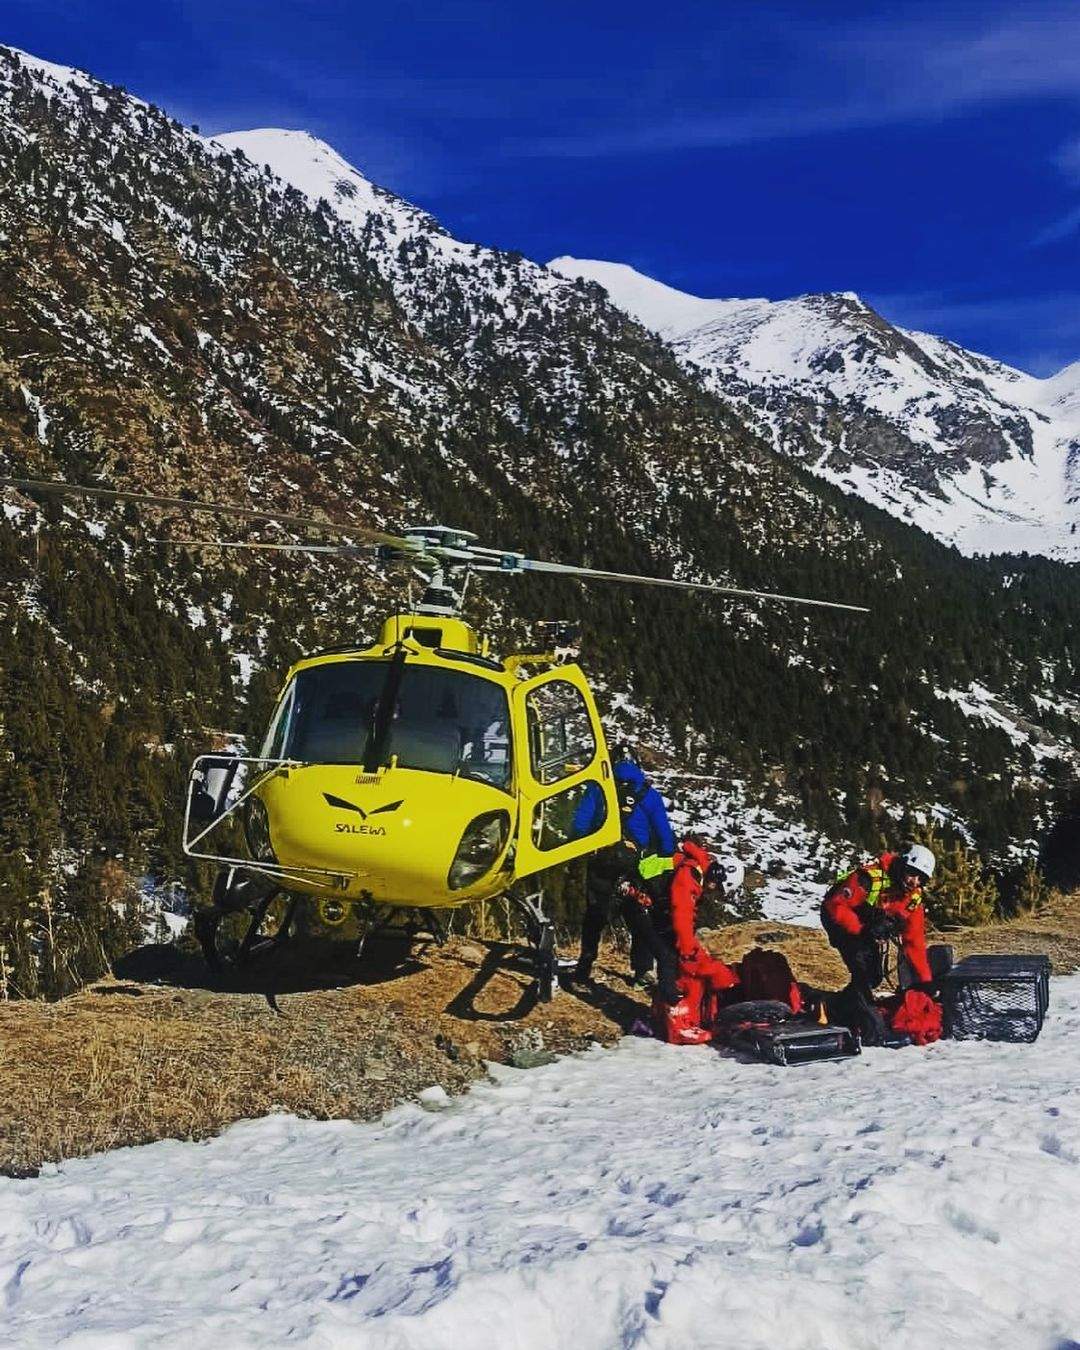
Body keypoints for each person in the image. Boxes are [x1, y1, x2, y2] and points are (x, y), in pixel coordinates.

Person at [571, 759, 678, 990]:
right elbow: (665, 837)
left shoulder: (599, 787)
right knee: (639, 918)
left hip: (602, 861)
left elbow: (580, 825)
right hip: (634, 866)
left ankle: (584, 966)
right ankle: (642, 973)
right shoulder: (649, 794)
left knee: (595, 916)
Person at [820, 843, 936, 1042]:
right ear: (902, 865)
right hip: (840, 918)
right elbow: (836, 906)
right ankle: (866, 1021)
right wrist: (862, 931)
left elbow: (914, 941)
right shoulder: (868, 878)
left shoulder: (912, 899)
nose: (914, 881)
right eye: (911, 873)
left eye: (920, 878)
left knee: (874, 976)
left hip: (866, 926)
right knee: (862, 968)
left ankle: (834, 1007)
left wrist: (925, 981)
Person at [662, 838, 741, 1032]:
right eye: (718, 889)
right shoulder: (689, 878)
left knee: (672, 956)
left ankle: (670, 1008)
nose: (713, 893)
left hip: (649, 900)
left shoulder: (700, 866)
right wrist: (690, 951)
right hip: (639, 900)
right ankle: (671, 1011)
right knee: (668, 958)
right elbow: (682, 917)